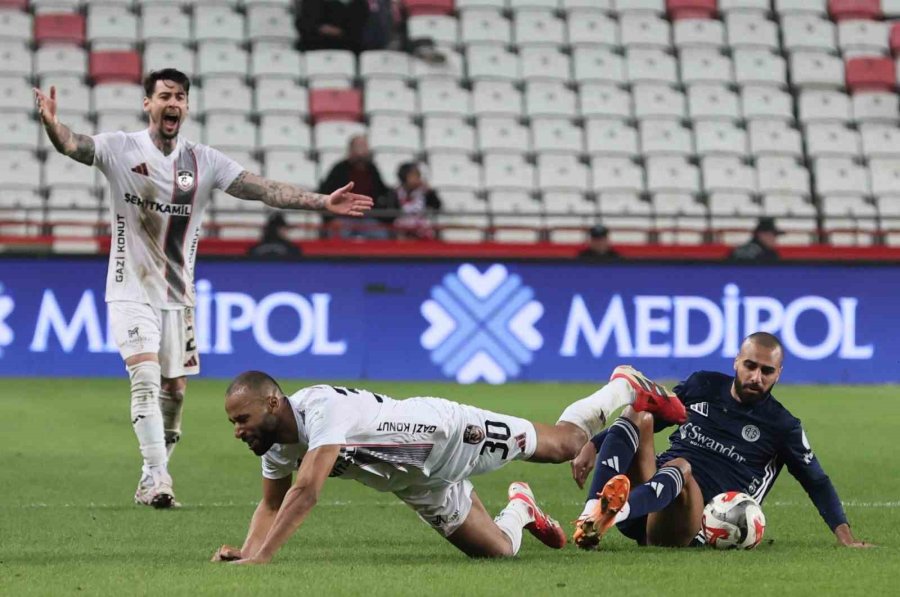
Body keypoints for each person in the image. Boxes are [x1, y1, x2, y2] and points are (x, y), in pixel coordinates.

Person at [33, 69, 373, 509]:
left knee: (174, 391)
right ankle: (158, 476)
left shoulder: (203, 161)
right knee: (145, 377)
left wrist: (320, 201)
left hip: (179, 298)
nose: (173, 103)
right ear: (147, 104)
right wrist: (51, 125)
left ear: (187, 108)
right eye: (164, 96)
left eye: (180, 97)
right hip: (129, 290)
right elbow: (74, 144)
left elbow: (263, 189)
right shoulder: (121, 148)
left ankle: (148, 475)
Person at [210, 366, 687, 564]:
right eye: (233, 423)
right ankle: (521, 507)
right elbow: (271, 504)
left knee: (565, 444)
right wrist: (247, 550)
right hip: (417, 483)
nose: (238, 430)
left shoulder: (319, 408)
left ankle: (621, 387)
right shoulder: (275, 446)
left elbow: (306, 491)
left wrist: (261, 559)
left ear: (274, 403)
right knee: (498, 552)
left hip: (449, 435)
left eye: (243, 419)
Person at [570, 332, 872, 550]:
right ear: (736, 362)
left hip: (690, 523)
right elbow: (652, 422)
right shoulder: (703, 384)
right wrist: (593, 444)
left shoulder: (782, 426)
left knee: (683, 467)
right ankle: (592, 516)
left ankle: (609, 515)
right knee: (640, 412)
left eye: (767, 371)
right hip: (648, 492)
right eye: (750, 366)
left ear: (778, 375)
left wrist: (845, 536)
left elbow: (816, 481)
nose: (756, 377)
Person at [318, 134, 390, 239]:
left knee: (381, 235)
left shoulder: (372, 169)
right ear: (350, 149)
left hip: (367, 216)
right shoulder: (339, 169)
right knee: (337, 234)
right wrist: (332, 218)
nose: (361, 151)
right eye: (358, 146)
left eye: (364, 147)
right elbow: (326, 193)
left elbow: (382, 193)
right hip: (343, 215)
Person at [382, 162, 442, 240]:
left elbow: (437, 205)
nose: (417, 178)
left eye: (418, 175)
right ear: (404, 177)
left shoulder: (425, 192)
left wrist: (431, 193)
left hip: (421, 228)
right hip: (401, 230)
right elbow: (391, 214)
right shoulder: (395, 193)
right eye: (413, 176)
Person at [295, 0, 369, 54]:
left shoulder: (358, 4)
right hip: (313, 47)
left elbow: (356, 30)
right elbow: (304, 25)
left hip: (346, 48)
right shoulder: (311, 3)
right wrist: (319, 28)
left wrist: (338, 32)